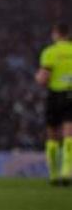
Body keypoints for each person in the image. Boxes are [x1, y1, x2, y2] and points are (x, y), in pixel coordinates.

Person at [40, 23, 72, 186]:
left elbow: (43, 78)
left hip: (55, 95)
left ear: (56, 34)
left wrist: (38, 77)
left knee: (52, 134)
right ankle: (67, 170)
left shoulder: (50, 52)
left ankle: (53, 173)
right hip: (71, 94)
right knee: (69, 133)